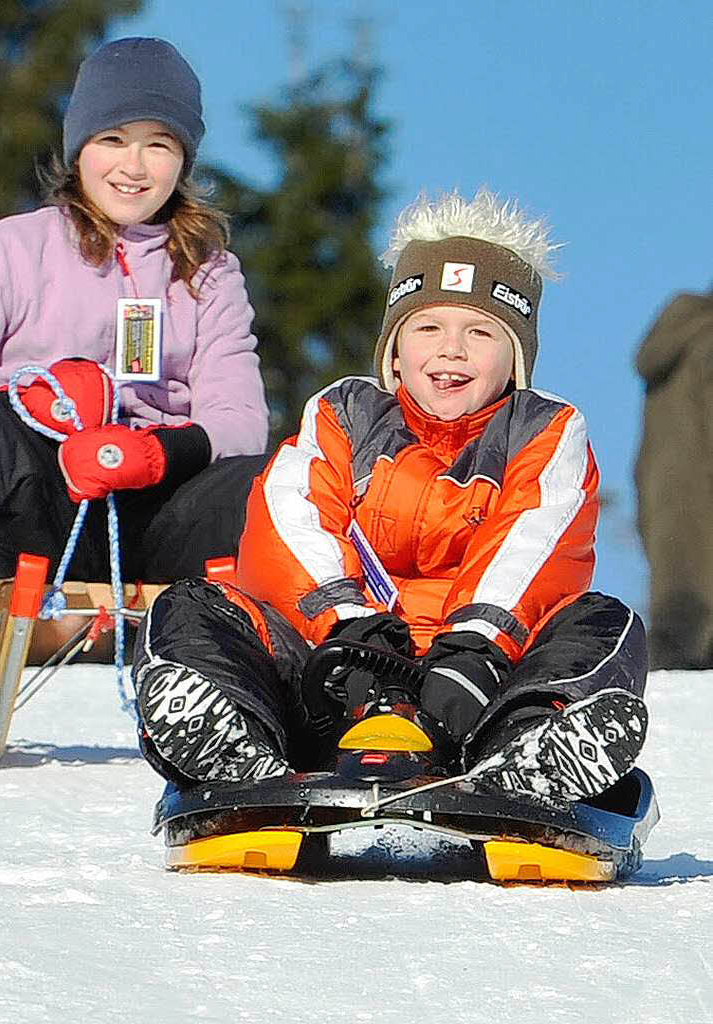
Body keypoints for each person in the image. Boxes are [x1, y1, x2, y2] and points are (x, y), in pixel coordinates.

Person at [133, 188, 649, 803]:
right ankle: (239, 748)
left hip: (479, 691)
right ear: (396, 352)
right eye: (428, 327)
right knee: (195, 607)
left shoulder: (546, 430)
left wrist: (476, 649)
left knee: (603, 623)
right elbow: (292, 519)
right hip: (337, 678)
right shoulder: (344, 413)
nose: (451, 349)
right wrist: (351, 631)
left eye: (481, 332)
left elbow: (535, 542)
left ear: (514, 360)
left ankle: (527, 755)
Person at [0, 38, 270, 767]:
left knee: (272, 483)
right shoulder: (10, 249)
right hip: (37, 494)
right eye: (113, 138)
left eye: (159, 144)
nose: (133, 166)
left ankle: (250, 699)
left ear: (185, 159)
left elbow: (239, 421)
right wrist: (26, 404)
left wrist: (156, 450)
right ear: (79, 146)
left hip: (153, 498)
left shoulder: (208, 273)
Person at [635, 286, 713, 669]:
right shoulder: (708, 343)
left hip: (664, 503)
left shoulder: (679, 334)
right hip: (704, 508)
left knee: (676, 629)